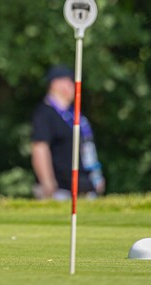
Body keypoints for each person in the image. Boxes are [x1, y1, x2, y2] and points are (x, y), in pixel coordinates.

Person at [30, 65, 105, 200]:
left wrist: (96, 176)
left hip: (83, 186)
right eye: (69, 81)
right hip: (60, 189)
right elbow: (40, 147)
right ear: (55, 84)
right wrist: (47, 182)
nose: (73, 86)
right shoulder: (46, 113)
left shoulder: (73, 115)